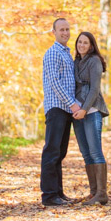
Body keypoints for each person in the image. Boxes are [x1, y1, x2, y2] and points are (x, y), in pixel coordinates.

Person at [40, 17, 81, 206]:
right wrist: (72, 104)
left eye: (67, 29)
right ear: (53, 32)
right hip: (57, 107)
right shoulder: (53, 53)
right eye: (61, 30)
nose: (65, 32)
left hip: (65, 109)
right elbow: (55, 83)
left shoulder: (66, 53)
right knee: (51, 151)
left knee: (60, 152)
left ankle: (58, 192)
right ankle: (48, 196)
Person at [72, 32, 109, 205]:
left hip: (91, 111)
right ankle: (94, 193)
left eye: (85, 42)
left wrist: (85, 110)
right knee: (86, 154)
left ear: (91, 45)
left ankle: (102, 194)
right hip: (78, 112)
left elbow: (94, 89)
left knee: (95, 152)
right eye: (80, 42)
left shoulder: (94, 61)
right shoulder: (76, 62)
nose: (82, 45)